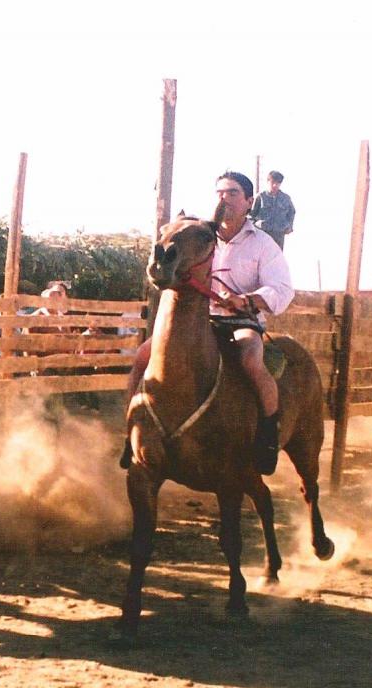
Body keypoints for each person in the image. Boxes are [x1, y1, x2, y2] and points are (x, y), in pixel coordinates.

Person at [124, 171, 293, 474]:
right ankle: (132, 433)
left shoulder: (264, 245)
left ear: (249, 201)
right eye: (219, 193)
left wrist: (245, 300)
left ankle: (267, 435)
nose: (223, 199)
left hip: (241, 321)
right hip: (199, 321)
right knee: (142, 358)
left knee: (251, 361)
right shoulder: (197, 236)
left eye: (231, 193)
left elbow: (282, 290)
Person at [250, 170, 296, 250]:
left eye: (278, 183)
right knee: (261, 257)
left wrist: (289, 226)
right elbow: (251, 214)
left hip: (279, 233)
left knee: (276, 258)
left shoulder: (285, 198)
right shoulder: (260, 197)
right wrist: (252, 228)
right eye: (273, 182)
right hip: (262, 232)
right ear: (268, 182)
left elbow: (292, 212)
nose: (275, 185)